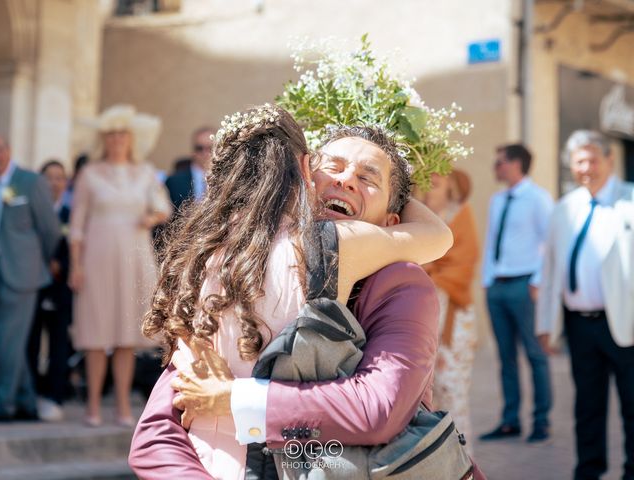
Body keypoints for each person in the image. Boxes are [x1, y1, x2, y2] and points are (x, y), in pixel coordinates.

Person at [129, 113, 452, 478]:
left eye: (367, 178)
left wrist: (234, 398)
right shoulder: (240, 266)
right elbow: (158, 431)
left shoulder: (403, 285)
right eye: (331, 167)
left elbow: (378, 407)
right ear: (304, 174)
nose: (345, 180)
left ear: (394, 223)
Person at [537, 130, 634, 480]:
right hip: (580, 325)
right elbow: (550, 271)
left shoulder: (630, 202)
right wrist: (545, 323)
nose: (586, 167)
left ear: (610, 160)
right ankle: (588, 471)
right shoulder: (565, 209)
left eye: (593, 159)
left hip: (625, 324)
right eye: (579, 160)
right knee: (587, 407)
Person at [68, 104, 172, 427]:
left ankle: (124, 408)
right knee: (96, 334)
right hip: (96, 258)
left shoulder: (145, 172)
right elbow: (76, 225)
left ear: (132, 139)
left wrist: (151, 217)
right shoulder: (89, 174)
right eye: (111, 135)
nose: (116, 140)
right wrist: (75, 265)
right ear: (103, 139)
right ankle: (93, 407)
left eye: (122, 135)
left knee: (127, 335)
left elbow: (164, 208)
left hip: (134, 257)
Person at [479, 143, 554, 443]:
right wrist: (487, 280)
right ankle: (510, 421)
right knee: (506, 357)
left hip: (525, 285)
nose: (495, 168)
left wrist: (537, 281)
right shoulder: (497, 200)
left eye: (499, 163)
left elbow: (550, 243)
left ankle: (542, 421)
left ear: (515, 164)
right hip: (497, 286)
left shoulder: (539, 199)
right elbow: (491, 241)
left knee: (536, 355)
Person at [0, 134, 61, 421]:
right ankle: (25, 400)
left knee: (7, 338)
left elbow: (51, 230)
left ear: (8, 150)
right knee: (10, 339)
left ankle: (2, 403)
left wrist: (38, 261)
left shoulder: (31, 182)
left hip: (21, 272)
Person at [418, 169, 479, 449]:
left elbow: (463, 263)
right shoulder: (415, 216)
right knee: (424, 399)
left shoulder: (459, 216)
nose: (429, 188)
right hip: (420, 319)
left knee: (453, 392)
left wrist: (427, 267)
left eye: (437, 182)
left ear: (451, 187)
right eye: (426, 181)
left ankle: (464, 461)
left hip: (453, 318)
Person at [27, 160, 73, 421]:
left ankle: (55, 397)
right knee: (31, 343)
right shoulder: (31, 214)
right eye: (49, 177)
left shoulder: (70, 214)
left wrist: (62, 266)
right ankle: (30, 394)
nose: (54, 183)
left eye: (59, 177)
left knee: (58, 345)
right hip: (34, 286)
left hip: (61, 289)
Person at [165, 126, 216, 210]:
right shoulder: (174, 181)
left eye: (210, 148)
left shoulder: (228, 178)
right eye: (199, 148)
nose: (205, 152)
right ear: (193, 150)